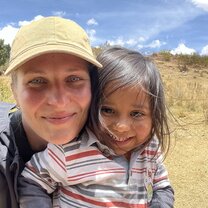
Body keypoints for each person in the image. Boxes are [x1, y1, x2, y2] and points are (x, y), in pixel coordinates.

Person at [19, 47, 174, 207]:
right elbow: (32, 180)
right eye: (107, 110)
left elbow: (161, 187)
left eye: (136, 114)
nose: (121, 127)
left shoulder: (151, 148)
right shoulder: (71, 151)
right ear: (92, 105)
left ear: (154, 114)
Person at [0, 16, 102, 208]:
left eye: (73, 78)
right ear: (14, 91)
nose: (59, 102)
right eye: (37, 81)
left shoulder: (115, 142)